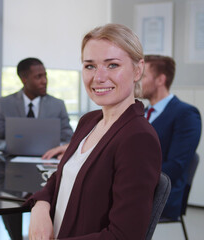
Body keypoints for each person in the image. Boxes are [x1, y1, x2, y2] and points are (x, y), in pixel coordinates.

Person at [27, 23, 162, 239]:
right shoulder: (89, 121)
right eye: (90, 66)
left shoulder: (137, 138)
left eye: (112, 65)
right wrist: (41, 205)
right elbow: (59, 178)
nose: (98, 77)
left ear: (137, 70)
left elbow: (124, 236)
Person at [141, 54, 202, 220]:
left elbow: (175, 166)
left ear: (160, 80)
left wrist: (133, 179)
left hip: (161, 195)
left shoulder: (185, 114)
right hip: (136, 187)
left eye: (143, 76)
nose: (136, 81)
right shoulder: (141, 113)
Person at [0, 57, 73, 152]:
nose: (44, 81)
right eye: (38, 77)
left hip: (48, 161)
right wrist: (13, 146)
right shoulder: (5, 104)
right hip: (12, 162)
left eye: (45, 76)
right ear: (24, 79)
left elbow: (69, 140)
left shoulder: (58, 105)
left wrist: (55, 148)